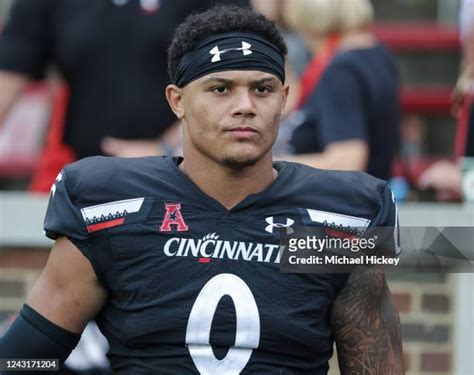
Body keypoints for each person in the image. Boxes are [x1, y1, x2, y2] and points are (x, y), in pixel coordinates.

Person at [0, 5, 404, 374]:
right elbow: (24, 358)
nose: (245, 105)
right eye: (220, 89)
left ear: (284, 99)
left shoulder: (331, 224)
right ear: (177, 101)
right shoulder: (115, 208)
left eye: (262, 89)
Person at [0, 0, 248, 192]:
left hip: (191, 174)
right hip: (85, 174)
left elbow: (251, 78)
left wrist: (168, 147)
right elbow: (8, 77)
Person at [277, 0, 400, 181]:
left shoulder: (342, 70)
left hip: (342, 202)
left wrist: (272, 165)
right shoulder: (375, 53)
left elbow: (347, 162)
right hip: (373, 195)